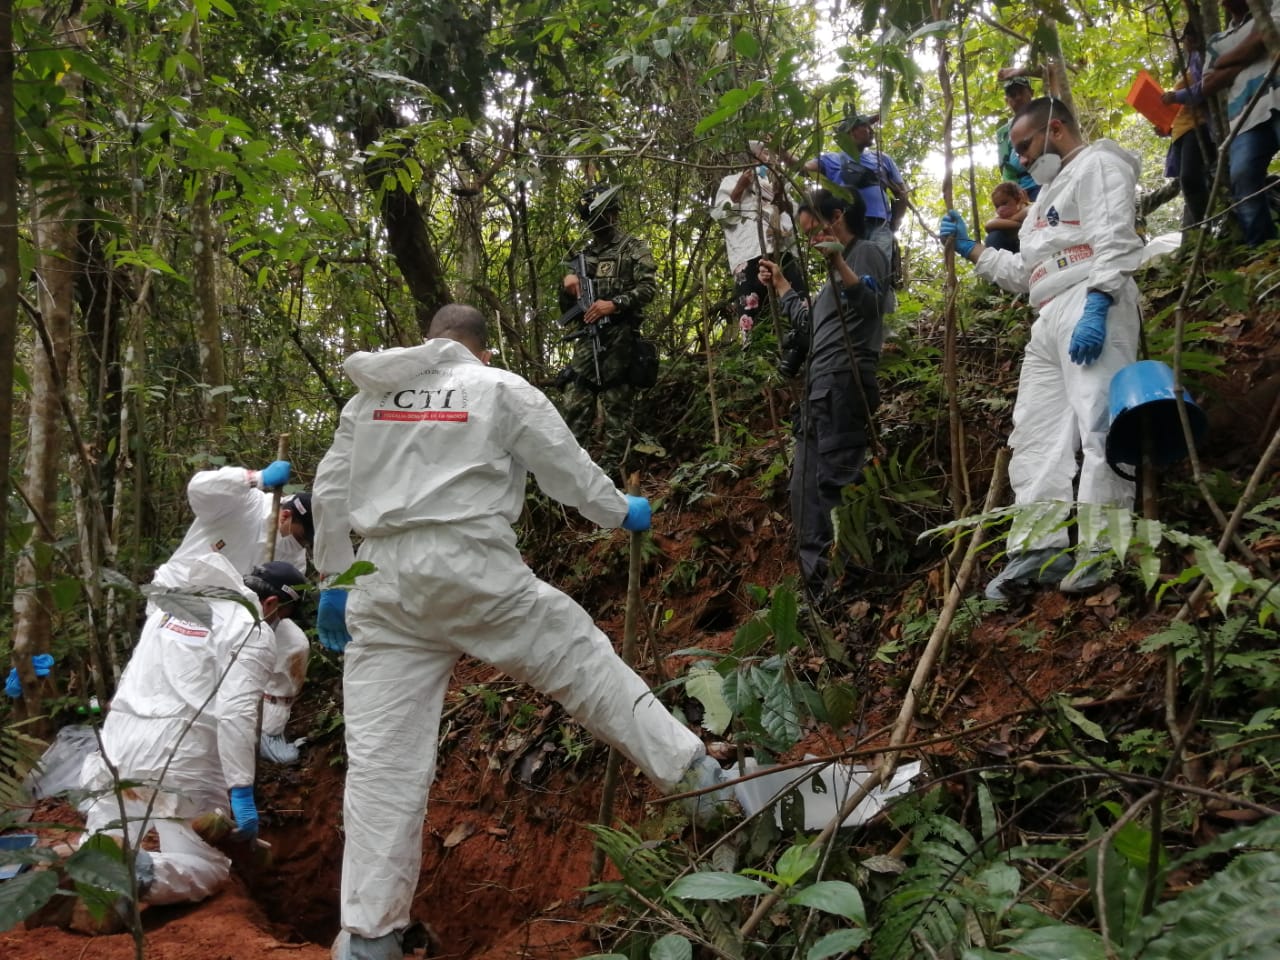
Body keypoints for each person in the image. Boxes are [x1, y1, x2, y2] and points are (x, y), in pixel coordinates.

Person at [311, 304, 731, 960]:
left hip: (381, 581)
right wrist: (620, 512)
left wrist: (333, 579)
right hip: (470, 566)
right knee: (580, 659)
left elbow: (331, 489)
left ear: (430, 343)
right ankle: (697, 777)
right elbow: (564, 467)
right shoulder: (498, 386)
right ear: (483, 350)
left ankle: (369, 938)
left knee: (382, 766)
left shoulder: (370, 397)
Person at [940, 97, 1144, 601]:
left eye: (1025, 147)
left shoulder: (1100, 162)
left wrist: (1099, 301)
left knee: (1100, 418)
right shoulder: (1041, 203)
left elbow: (1115, 237)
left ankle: (1102, 546)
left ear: (1055, 129)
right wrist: (974, 250)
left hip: (1093, 299)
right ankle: (1038, 550)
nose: (1021, 160)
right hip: (1048, 313)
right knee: (1035, 430)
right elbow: (1029, 272)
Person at [79, 557, 308, 907]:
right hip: (184, 760)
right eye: (284, 616)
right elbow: (236, 714)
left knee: (103, 836)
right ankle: (140, 874)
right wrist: (241, 790)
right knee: (209, 865)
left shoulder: (170, 609)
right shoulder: (252, 628)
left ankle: (85, 874)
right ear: (272, 604)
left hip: (118, 748)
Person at [758, 189, 891, 601]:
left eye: (814, 229)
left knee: (834, 486)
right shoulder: (831, 279)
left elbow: (871, 305)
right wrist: (781, 285)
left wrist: (838, 262)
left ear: (837, 217)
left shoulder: (864, 253)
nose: (811, 239)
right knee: (804, 493)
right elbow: (810, 328)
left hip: (844, 382)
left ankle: (849, 586)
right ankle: (821, 594)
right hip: (818, 389)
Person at [151, 462, 315, 764]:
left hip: (236, 615)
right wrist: (255, 478)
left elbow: (284, 604)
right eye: (301, 537)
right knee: (174, 681)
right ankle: (159, 745)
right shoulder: (244, 504)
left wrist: (268, 619)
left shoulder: (294, 554)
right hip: (182, 599)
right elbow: (199, 488)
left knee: (293, 644)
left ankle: (268, 732)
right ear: (286, 514)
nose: (301, 545)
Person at [558, 184, 658, 476]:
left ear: (614, 215)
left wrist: (613, 304)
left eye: (605, 214)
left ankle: (613, 474)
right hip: (589, 339)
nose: (600, 222)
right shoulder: (581, 258)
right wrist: (567, 287)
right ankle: (573, 475)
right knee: (576, 402)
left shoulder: (633, 248)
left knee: (617, 405)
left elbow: (648, 288)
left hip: (621, 337)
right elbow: (567, 310)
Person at [1202, 0, 1280, 246]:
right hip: (1244, 117)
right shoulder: (1216, 40)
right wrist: (1252, 49)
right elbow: (1208, 84)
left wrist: (1224, 62)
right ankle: (1264, 252)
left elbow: (1267, 36)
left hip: (1277, 96)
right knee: (1243, 180)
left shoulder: (1269, 8)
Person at [711, 164, 807, 344]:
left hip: (781, 251)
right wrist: (740, 186)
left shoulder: (777, 182)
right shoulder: (730, 181)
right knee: (750, 312)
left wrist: (781, 199)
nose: (763, 159)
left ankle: (804, 349)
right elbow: (722, 216)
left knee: (799, 302)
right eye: (759, 153)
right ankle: (753, 360)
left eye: (766, 153)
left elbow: (794, 215)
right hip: (748, 253)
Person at [1161, 20, 1216, 232]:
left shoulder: (1201, 57)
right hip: (1182, 131)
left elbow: (1205, 88)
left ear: (1190, 39)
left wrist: (1176, 96)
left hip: (1198, 127)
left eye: (1185, 39)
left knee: (1191, 178)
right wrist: (1165, 127)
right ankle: (1198, 233)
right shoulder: (1189, 63)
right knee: (1189, 183)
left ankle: (1207, 226)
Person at [996, 76, 1041, 201]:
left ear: (1031, 92)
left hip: (1045, 182)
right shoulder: (1004, 132)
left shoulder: (1044, 116)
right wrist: (1014, 194)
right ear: (1007, 100)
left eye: (1021, 92)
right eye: (1012, 95)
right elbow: (1006, 167)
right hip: (1021, 190)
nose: (1018, 97)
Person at [983, 182, 1031, 253]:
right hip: (1012, 251)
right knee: (993, 236)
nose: (1001, 209)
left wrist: (1010, 220)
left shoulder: (1027, 207)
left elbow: (1031, 210)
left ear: (1018, 198)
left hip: (1031, 246)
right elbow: (988, 225)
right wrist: (1019, 224)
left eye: (1004, 203)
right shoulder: (1000, 218)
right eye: (997, 206)